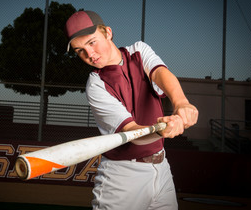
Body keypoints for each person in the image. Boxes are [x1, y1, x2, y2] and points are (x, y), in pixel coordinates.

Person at [65, 11, 199, 210]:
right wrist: (161, 129)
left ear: (108, 33)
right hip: (122, 178)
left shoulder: (138, 51)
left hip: (161, 168)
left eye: (92, 42)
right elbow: (132, 132)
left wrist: (181, 103)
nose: (89, 55)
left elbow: (160, 72)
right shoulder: (96, 85)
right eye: (79, 50)